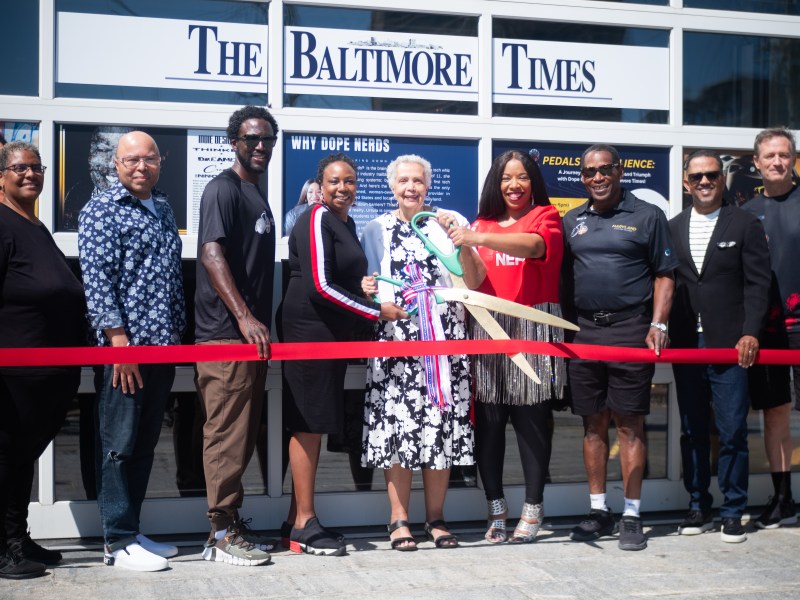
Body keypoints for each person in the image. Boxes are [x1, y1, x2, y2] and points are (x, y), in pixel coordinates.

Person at [282, 153, 406, 556]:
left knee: (315, 422)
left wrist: (363, 288)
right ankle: (304, 524)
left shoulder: (346, 223)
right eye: (334, 181)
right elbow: (320, 286)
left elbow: (339, 278)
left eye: (349, 181)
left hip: (330, 334)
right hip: (309, 333)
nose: (342, 188)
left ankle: (295, 519)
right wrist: (375, 310)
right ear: (320, 186)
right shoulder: (316, 217)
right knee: (307, 425)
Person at [440, 150, 565, 544]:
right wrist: (462, 242)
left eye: (522, 177)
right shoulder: (480, 224)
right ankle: (495, 507)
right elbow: (471, 279)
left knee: (531, 422)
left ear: (533, 182)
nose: (514, 185)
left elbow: (534, 247)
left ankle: (533, 508)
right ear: (495, 183)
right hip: (486, 326)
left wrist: (476, 237)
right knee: (489, 423)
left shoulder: (545, 216)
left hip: (532, 325)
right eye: (506, 178)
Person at [360, 154, 482, 551]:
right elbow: (368, 282)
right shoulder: (375, 228)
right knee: (398, 428)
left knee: (440, 426)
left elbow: (474, 281)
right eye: (404, 181)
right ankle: (398, 520)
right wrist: (366, 289)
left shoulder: (449, 220)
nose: (411, 188)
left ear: (428, 186)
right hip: (397, 341)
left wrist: (462, 241)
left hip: (445, 340)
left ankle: (436, 518)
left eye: (418, 181)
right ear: (392, 186)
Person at [561, 143, 677, 551]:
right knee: (592, 424)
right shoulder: (572, 220)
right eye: (589, 171)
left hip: (630, 329)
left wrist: (658, 323)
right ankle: (598, 511)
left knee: (629, 424)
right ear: (582, 177)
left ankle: (631, 514)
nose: (597, 177)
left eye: (605, 169)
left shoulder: (648, 215)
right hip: (584, 332)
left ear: (620, 171)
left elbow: (665, 274)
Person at [79, 131, 185, 572]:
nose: (141, 167)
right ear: (116, 164)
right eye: (132, 159)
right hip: (125, 351)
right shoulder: (101, 209)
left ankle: (132, 530)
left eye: (149, 159)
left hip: (161, 349)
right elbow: (97, 281)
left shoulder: (163, 207)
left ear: (160, 162)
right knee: (118, 446)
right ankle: (116, 540)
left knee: (143, 445)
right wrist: (119, 343)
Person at [669, 150, 771, 543]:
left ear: (722, 179)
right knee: (692, 430)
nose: (705, 182)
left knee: (731, 432)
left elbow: (758, 284)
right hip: (686, 344)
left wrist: (751, 332)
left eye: (711, 175)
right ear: (686, 183)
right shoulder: (673, 227)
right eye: (697, 177)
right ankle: (698, 505)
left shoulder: (744, 224)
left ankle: (733, 510)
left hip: (731, 345)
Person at [195, 105, 278, 567]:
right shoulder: (222, 189)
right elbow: (211, 253)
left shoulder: (254, 192)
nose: (260, 146)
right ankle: (221, 534)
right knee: (226, 434)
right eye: (251, 139)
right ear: (234, 142)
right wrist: (244, 317)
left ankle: (230, 523)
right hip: (225, 335)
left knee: (242, 436)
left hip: (250, 339)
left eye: (267, 139)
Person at [0, 142, 85, 579]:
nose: (30, 174)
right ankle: (2, 550)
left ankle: (16, 537)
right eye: (20, 167)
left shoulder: (35, 226)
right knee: (5, 457)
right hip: (12, 376)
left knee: (22, 459)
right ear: (1, 176)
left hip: (47, 377)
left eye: (37, 167)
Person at [742, 127, 800, 529]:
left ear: (793, 159)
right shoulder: (746, 212)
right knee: (775, 413)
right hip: (768, 330)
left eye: (784, 155)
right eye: (770, 156)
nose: (777, 162)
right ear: (757, 162)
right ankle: (783, 499)